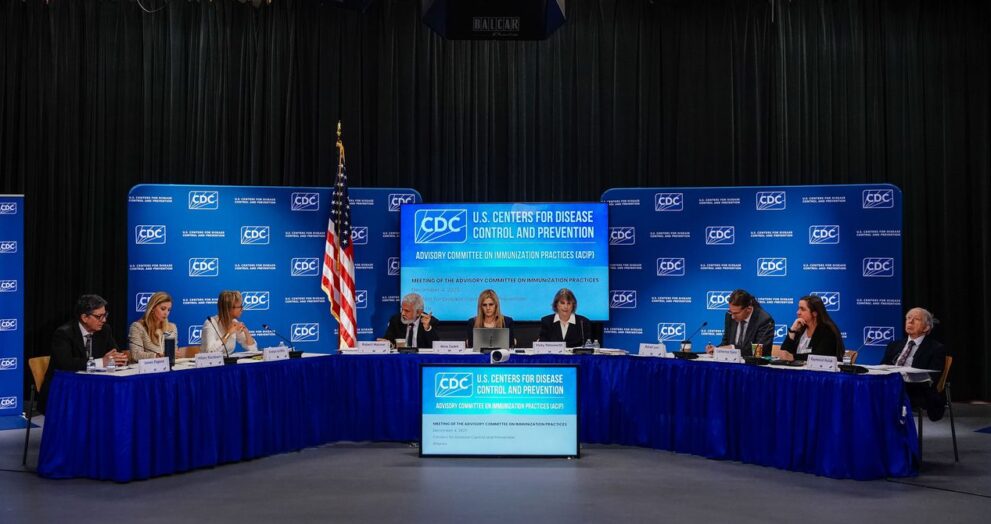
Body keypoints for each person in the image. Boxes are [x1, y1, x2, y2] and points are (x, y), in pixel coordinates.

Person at [41, 294, 128, 412]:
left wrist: (119, 359)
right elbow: (66, 364)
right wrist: (101, 362)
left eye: (105, 315)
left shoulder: (104, 330)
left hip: (94, 386)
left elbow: (114, 353)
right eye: (99, 316)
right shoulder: (64, 333)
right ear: (84, 317)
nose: (104, 320)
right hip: (65, 388)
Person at [881, 307, 947, 420]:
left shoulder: (936, 348)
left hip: (915, 390)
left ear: (926, 327)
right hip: (890, 385)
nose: (910, 321)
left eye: (916, 319)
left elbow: (932, 377)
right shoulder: (894, 345)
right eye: (908, 318)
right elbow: (883, 367)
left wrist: (905, 377)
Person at [774, 295, 844, 361]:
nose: (798, 312)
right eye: (798, 308)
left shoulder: (828, 331)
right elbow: (784, 353)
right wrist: (792, 331)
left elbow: (820, 356)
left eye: (802, 309)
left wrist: (793, 357)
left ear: (815, 313)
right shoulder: (800, 328)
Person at [706, 289, 775, 356]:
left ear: (749, 308)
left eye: (736, 313)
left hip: (753, 363)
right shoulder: (729, 315)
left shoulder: (764, 320)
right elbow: (726, 343)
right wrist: (716, 349)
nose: (732, 317)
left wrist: (733, 348)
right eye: (731, 312)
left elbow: (759, 351)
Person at [201, 290, 257, 354]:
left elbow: (253, 349)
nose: (242, 309)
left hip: (228, 360)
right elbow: (210, 352)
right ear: (229, 308)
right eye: (240, 307)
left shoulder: (234, 322)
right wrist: (229, 333)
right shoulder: (210, 323)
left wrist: (246, 332)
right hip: (210, 360)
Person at [128, 291, 178, 361]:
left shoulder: (172, 327)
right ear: (152, 308)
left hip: (167, 366)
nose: (166, 313)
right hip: (146, 367)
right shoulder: (137, 327)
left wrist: (174, 354)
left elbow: (173, 352)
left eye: (169, 310)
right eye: (163, 309)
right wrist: (156, 356)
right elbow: (136, 354)